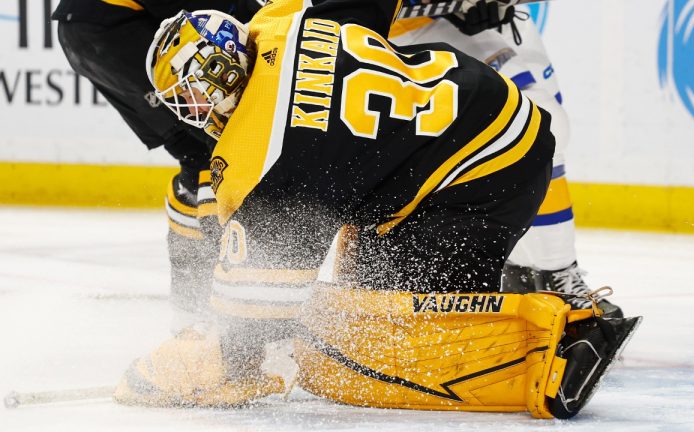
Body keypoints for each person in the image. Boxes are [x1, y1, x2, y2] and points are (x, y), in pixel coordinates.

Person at [114, 1, 640, 419]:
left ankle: (562, 345)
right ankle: (521, 286)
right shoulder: (280, 20)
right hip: (480, 112)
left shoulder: (261, 158)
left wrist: (211, 356)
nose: (195, 114)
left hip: (481, 180)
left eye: (192, 99)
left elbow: (256, 320)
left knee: (389, 345)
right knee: (357, 282)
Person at [389, 3, 623, 317]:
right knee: (532, 120)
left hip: (470, 22)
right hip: (380, 29)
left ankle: (543, 273)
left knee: (545, 125)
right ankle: (540, 271)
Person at [51, 0, 262, 332]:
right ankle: (220, 303)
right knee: (214, 147)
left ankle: (192, 308)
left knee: (196, 154)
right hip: (107, 31)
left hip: (92, 29)